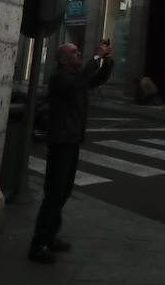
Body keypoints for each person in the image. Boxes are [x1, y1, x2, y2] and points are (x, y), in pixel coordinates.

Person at [29, 41, 112, 264]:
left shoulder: (76, 78)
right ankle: (39, 244)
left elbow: (96, 80)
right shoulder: (60, 78)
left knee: (63, 192)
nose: (78, 54)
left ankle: (51, 235)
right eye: (74, 52)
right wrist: (95, 59)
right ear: (63, 59)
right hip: (61, 141)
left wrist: (107, 61)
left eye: (78, 51)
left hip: (72, 139)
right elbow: (80, 82)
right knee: (54, 193)